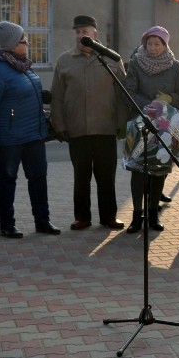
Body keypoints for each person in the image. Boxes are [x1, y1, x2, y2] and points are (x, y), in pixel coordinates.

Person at [0, 21, 60, 238]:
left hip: (33, 134)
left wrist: (41, 95)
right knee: (7, 180)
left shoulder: (23, 65)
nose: (27, 44)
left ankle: (43, 221)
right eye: (24, 40)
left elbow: (23, 92)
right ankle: (7, 225)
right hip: (10, 138)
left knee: (38, 178)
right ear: (13, 44)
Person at [51, 15, 127, 231]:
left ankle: (109, 216)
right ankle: (82, 217)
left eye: (85, 31)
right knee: (81, 178)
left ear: (95, 34)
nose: (81, 35)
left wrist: (121, 124)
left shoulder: (111, 58)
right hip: (77, 129)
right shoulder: (64, 61)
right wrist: (59, 125)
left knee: (106, 177)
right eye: (77, 32)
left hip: (105, 128)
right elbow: (57, 96)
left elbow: (123, 94)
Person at [122, 25, 179, 234]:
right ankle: (136, 216)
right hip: (141, 122)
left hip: (164, 125)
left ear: (165, 45)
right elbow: (128, 92)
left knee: (159, 170)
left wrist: (169, 100)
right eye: (149, 43)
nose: (152, 48)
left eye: (157, 44)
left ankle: (153, 215)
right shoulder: (135, 63)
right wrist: (149, 106)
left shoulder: (175, 66)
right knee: (138, 171)